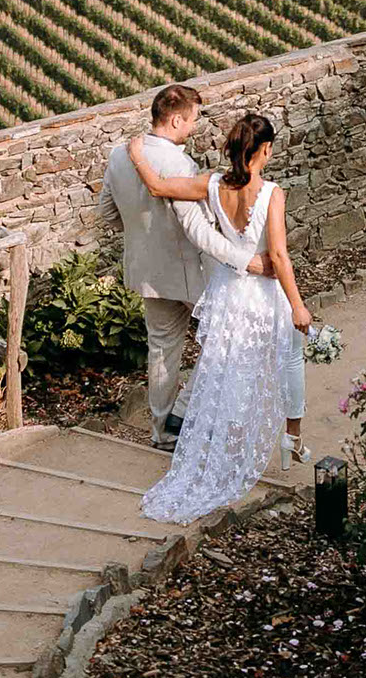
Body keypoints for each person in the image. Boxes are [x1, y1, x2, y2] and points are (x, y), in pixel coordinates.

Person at [134, 113, 313, 524]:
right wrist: (298, 304)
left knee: (227, 369)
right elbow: (280, 257)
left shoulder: (211, 186)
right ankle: (272, 444)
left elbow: (158, 186)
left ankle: (230, 446)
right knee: (268, 366)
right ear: (264, 150)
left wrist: (137, 152)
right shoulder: (272, 193)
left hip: (228, 292)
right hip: (264, 296)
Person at [98, 85, 270, 448]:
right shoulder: (180, 165)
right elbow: (197, 229)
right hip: (191, 272)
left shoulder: (117, 156)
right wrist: (244, 260)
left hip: (147, 272)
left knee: (162, 349)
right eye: (192, 120)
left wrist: (145, 235)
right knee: (225, 337)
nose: (193, 128)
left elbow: (107, 215)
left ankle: (162, 432)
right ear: (176, 119)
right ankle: (186, 410)